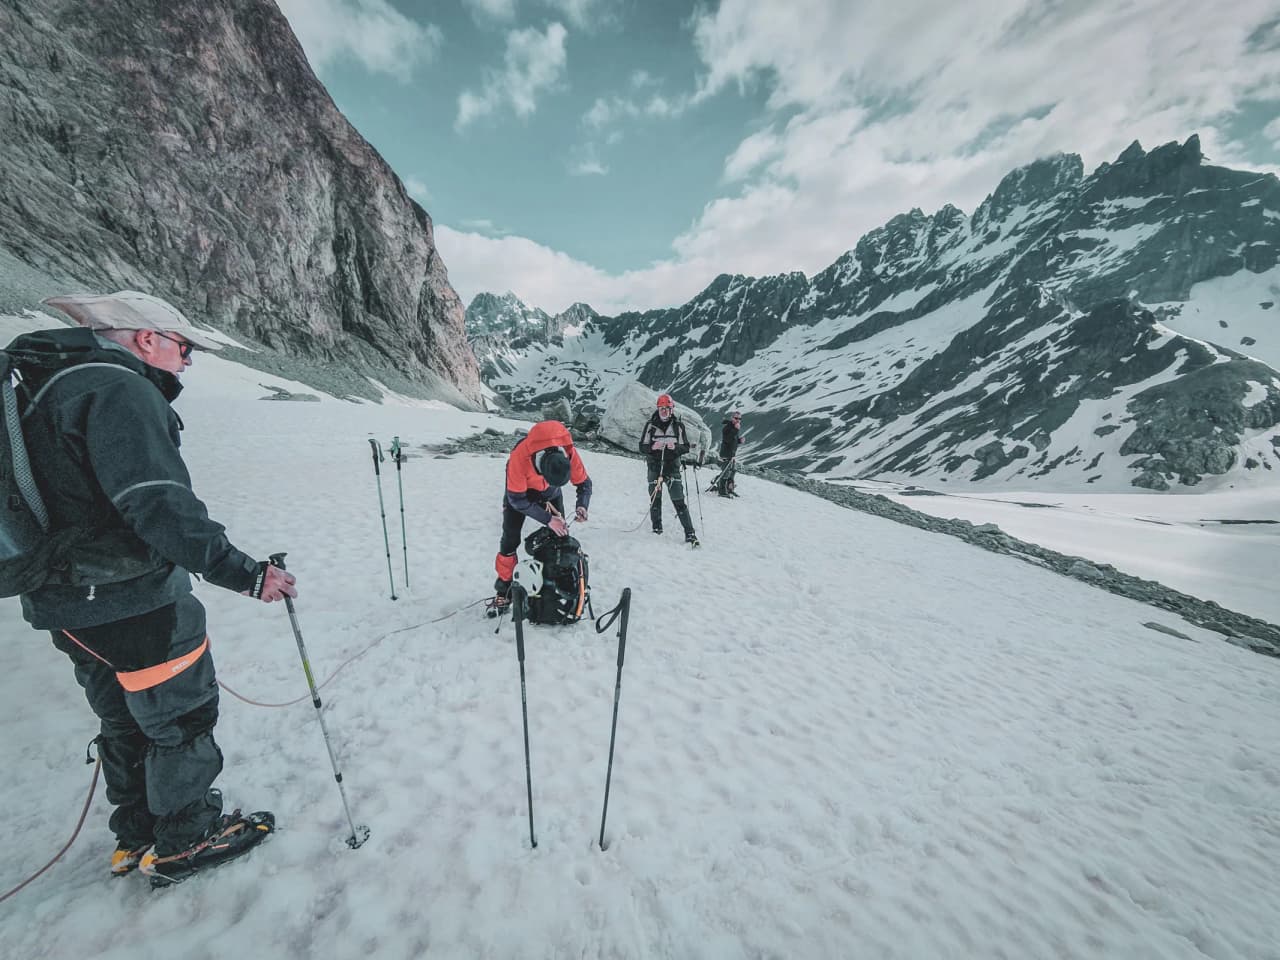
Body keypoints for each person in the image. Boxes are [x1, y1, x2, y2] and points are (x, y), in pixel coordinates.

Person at [9, 290, 295, 886]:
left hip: (64, 601)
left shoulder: (44, 386)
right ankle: (185, 839)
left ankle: (136, 835)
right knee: (180, 718)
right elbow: (158, 504)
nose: (187, 361)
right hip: (132, 598)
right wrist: (247, 574)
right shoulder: (119, 389)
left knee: (124, 719)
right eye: (183, 347)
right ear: (146, 338)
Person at [492, 420, 592, 611]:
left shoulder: (568, 452)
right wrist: (548, 519)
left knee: (560, 537)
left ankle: (553, 584)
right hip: (521, 495)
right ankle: (503, 590)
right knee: (509, 541)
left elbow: (584, 484)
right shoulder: (519, 459)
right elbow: (517, 500)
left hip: (551, 495)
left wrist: (582, 506)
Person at [637, 394, 699, 546]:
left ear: (672, 410)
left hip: (672, 469)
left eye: (667, 408)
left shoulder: (678, 426)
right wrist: (652, 447)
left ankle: (690, 534)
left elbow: (685, 447)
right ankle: (657, 528)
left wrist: (675, 447)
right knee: (655, 500)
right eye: (661, 408)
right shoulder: (650, 425)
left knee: (679, 501)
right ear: (658, 409)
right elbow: (641, 447)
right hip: (654, 468)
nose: (664, 411)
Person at [716, 410, 744, 497]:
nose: (738, 420)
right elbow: (727, 440)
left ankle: (729, 488)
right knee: (726, 473)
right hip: (726, 454)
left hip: (732, 454)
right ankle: (721, 491)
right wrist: (736, 430)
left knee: (732, 471)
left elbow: (733, 440)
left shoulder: (735, 427)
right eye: (736, 418)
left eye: (740, 418)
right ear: (732, 418)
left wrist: (739, 441)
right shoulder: (727, 428)